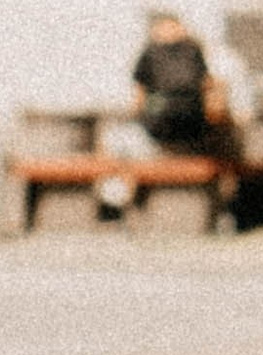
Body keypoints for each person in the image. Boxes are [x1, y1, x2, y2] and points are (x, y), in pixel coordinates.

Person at [94, 14, 241, 217]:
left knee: (114, 142)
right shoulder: (201, 58)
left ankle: (117, 201)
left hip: (157, 142)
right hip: (195, 142)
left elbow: (137, 103)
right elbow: (214, 111)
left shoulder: (150, 54)